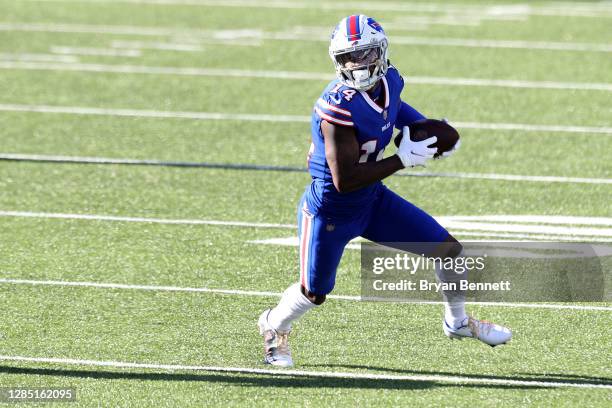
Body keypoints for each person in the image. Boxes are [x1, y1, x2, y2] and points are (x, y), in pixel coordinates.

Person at [258, 14, 511, 367]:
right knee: (314, 293)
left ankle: (458, 323)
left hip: (373, 200)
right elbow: (344, 179)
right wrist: (402, 159)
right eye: (348, 57)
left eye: (363, 54)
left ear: (380, 52)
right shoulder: (337, 107)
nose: (355, 64)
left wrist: (429, 132)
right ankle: (273, 325)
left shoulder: (390, 81)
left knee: (448, 250)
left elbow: (395, 112)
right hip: (331, 210)